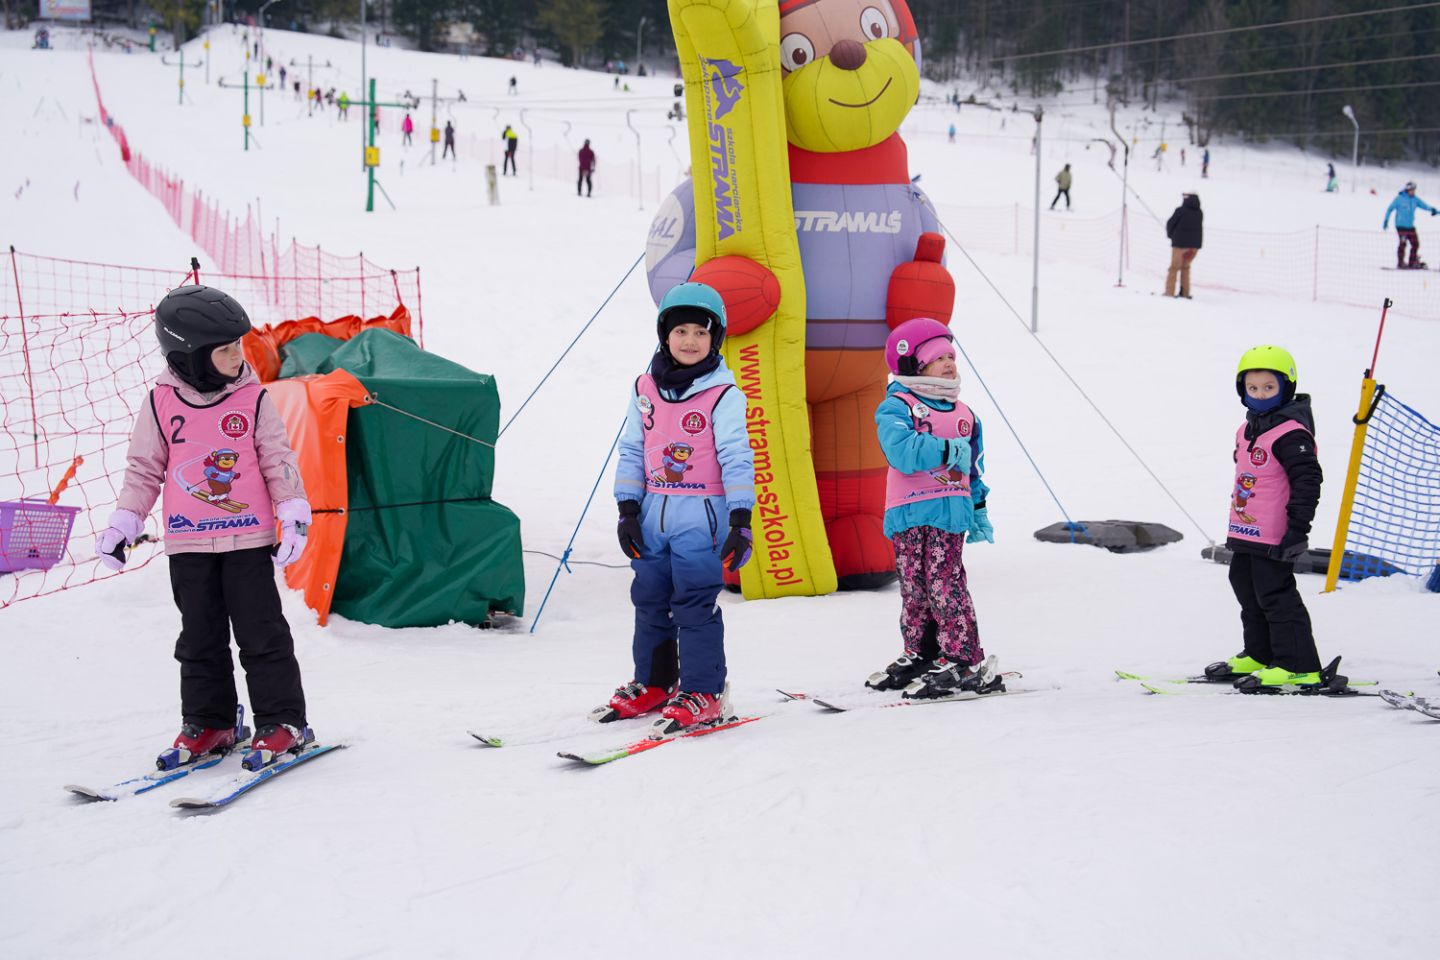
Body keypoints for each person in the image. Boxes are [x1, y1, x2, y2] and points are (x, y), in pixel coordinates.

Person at [92, 286, 316, 770]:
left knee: (262, 634)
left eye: (238, 345)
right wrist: (125, 520)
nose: (238, 355)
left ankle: (283, 721)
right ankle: (210, 722)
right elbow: (143, 469)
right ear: (190, 355)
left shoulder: (253, 399)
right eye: (225, 349)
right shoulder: (160, 403)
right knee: (199, 638)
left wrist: (292, 509)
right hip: (188, 543)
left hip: (247, 540)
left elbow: (278, 459)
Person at [598, 283, 755, 732]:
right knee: (649, 598)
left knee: (693, 602)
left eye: (700, 333)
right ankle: (655, 681)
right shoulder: (644, 387)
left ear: (715, 338)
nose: (690, 341)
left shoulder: (723, 394)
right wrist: (628, 511)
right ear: (664, 335)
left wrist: (740, 520)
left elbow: (737, 457)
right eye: (680, 331)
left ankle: (704, 691)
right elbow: (632, 449)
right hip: (652, 514)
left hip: (701, 516)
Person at [865, 318, 998, 700]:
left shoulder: (965, 415)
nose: (948, 363)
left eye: (950, 356)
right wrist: (945, 449)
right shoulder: (897, 406)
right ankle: (922, 652)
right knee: (914, 588)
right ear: (914, 365)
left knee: (945, 584)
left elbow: (974, 468)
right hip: (908, 511)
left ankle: (962, 658)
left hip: (948, 514)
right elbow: (901, 452)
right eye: (937, 358)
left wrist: (979, 506)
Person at [1216, 346, 1326, 692]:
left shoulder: (1291, 434)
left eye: (1269, 387)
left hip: (1276, 533)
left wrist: (1298, 530)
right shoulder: (1247, 429)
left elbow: (1307, 482)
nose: (1260, 394)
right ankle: (1260, 654)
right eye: (1253, 388)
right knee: (1246, 589)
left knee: (1275, 595)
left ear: (1286, 387)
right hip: (1247, 528)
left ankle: (1298, 665)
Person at [1383, 181, 1435, 269]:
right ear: (1407, 190)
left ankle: (1412, 262)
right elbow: (1390, 209)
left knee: (1415, 244)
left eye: (1414, 190)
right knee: (1403, 244)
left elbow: (1424, 206)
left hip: (1410, 227)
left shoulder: (1415, 199)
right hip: (1401, 226)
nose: (1413, 192)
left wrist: (1433, 210)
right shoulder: (1399, 199)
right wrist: (1386, 221)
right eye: (1412, 190)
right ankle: (1400, 263)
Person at [1165, 191, 1203, 298]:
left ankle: (1169, 292)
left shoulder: (1180, 211)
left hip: (1179, 246)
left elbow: (1170, 224)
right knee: (1185, 268)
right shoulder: (1199, 212)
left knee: (1174, 268)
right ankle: (1185, 293)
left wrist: (1171, 235)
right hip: (1194, 247)